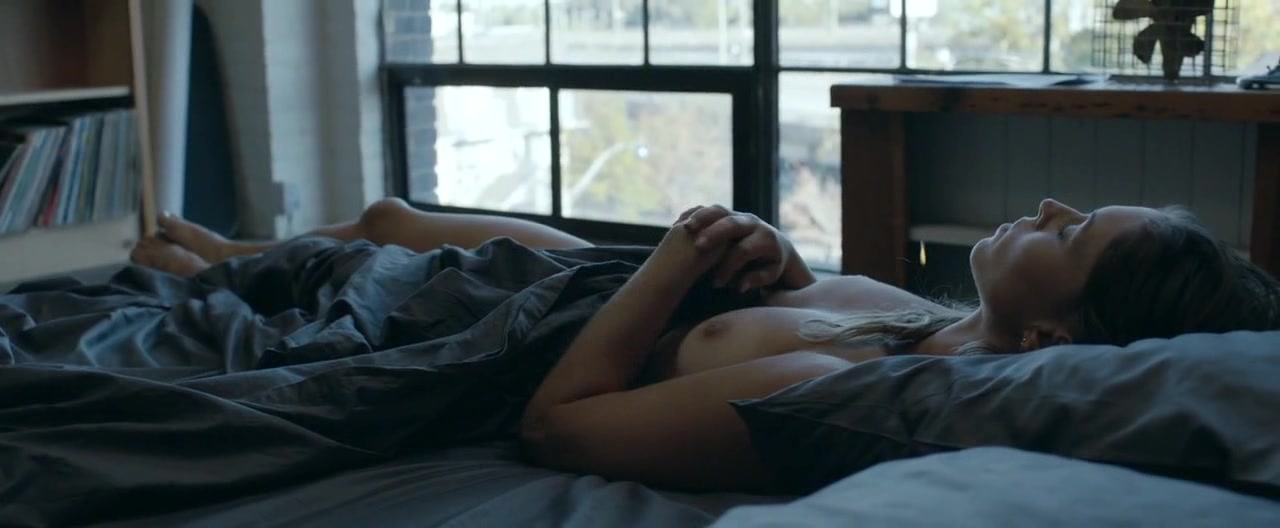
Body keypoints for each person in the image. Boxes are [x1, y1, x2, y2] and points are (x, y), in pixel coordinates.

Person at [131, 197, 1280, 493]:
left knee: (375, 255)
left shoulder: (847, 390)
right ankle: (231, 248)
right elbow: (797, 296)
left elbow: (559, 426)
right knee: (387, 217)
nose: (1046, 209)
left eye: (1069, 234)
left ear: (1047, 335)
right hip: (610, 281)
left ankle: (205, 267)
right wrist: (768, 256)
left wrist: (676, 263)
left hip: (548, 328)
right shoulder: (922, 320)